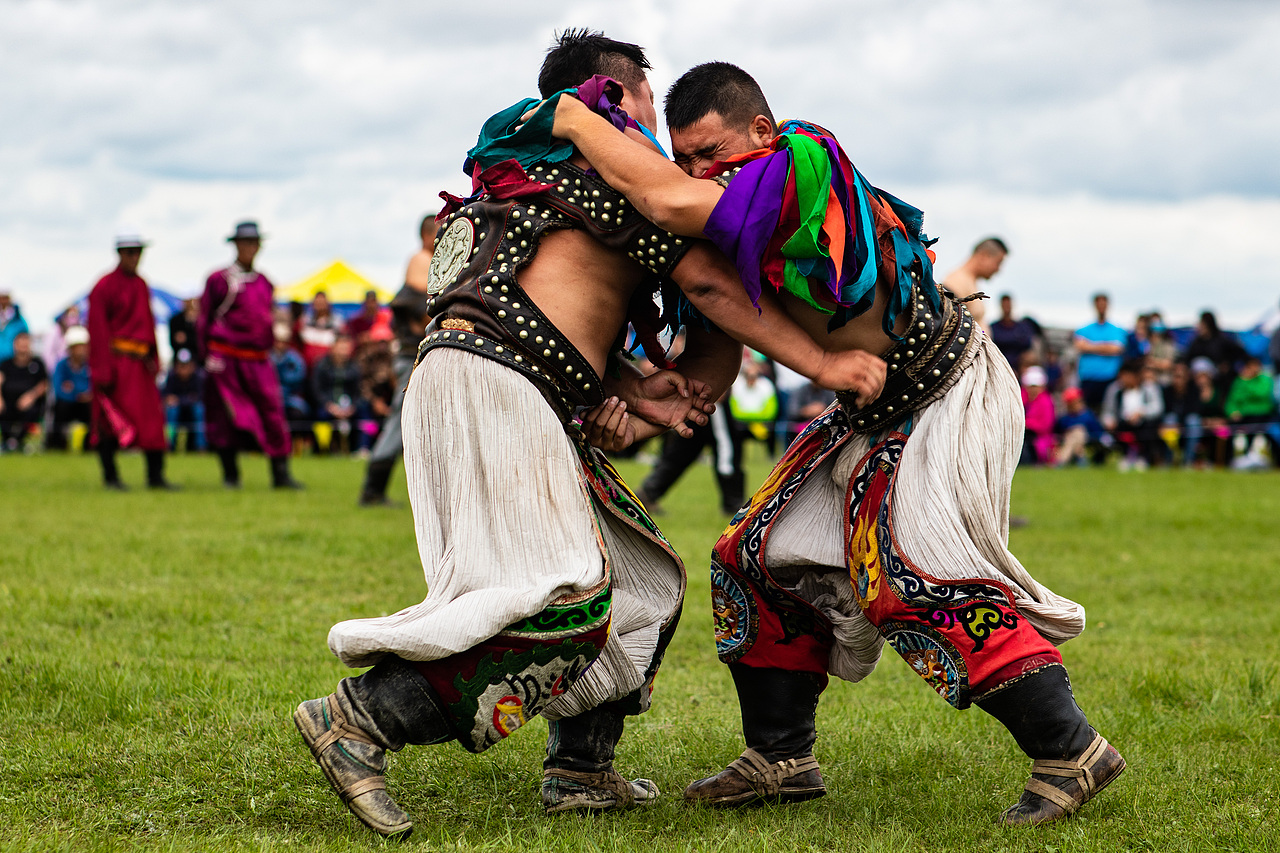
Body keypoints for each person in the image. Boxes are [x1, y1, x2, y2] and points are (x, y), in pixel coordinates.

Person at [295, 32, 885, 839]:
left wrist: (631, 388)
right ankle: (359, 718)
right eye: (651, 95)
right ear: (620, 92)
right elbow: (710, 281)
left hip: (492, 379)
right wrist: (824, 359)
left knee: (642, 579)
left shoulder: (519, 166)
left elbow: (546, 303)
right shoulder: (607, 160)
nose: (662, 123)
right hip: (497, 385)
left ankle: (581, 769)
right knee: (565, 599)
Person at [549, 59, 1123, 825]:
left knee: (912, 576)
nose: (698, 172)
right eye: (685, 158)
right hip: (869, 412)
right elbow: (715, 353)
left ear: (760, 130)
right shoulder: (726, 212)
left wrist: (573, 118)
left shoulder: (797, 165)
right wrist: (641, 403)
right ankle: (781, 756)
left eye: (711, 154)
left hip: (942, 388)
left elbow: (663, 199)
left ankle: (1072, 748)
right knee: (749, 555)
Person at [198, 221, 303, 488]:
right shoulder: (219, 280)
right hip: (226, 359)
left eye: (254, 243)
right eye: (245, 243)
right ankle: (231, 476)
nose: (250, 248)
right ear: (236, 245)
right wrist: (205, 357)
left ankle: (281, 475)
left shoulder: (264, 282)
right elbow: (203, 321)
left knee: (272, 413)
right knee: (226, 417)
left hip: (258, 360)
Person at [359, 214, 438, 506]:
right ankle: (372, 489)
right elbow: (424, 304)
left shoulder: (423, 259)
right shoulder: (421, 259)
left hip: (414, 353)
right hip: (411, 355)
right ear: (428, 235)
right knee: (401, 419)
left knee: (411, 420)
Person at [87, 229, 175, 490]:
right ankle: (111, 476)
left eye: (138, 252)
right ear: (120, 254)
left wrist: (154, 358)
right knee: (110, 421)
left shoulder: (141, 284)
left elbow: (149, 324)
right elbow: (98, 330)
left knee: (152, 422)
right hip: (117, 363)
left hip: (140, 366)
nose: (135, 258)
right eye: (130, 253)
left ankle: (156, 476)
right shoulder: (104, 286)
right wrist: (102, 370)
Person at [1100, 358, 1164, 470]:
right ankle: (1126, 457)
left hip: (1144, 423)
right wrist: (1109, 420)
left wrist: (1141, 413)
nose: (1123, 379)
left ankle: (1143, 457)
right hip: (1122, 423)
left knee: (1148, 430)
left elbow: (1157, 408)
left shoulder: (1149, 388)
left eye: (1126, 376)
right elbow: (1107, 411)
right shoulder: (1114, 390)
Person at [1073, 293, 1128, 413]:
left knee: (1108, 412)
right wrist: (1105, 347)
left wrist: (1091, 346)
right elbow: (1080, 346)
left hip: (1109, 378)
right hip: (1088, 378)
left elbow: (1116, 349)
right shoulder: (1083, 329)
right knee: (1087, 412)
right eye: (1099, 304)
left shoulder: (1117, 330)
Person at [941, 237, 1008, 330]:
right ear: (984, 255)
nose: (998, 269)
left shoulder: (969, 281)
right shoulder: (958, 281)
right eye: (998, 263)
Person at [1223, 356, 1277, 470]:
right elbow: (1232, 399)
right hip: (1243, 415)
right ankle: (1228, 461)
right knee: (1228, 431)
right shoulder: (1240, 380)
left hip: (1261, 414)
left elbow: (1262, 394)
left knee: (1254, 428)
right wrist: (1233, 412)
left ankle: (1251, 457)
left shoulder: (1265, 379)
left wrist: (1246, 383)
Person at [0, 331, 49, 450]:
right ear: (14, 345)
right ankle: (8, 441)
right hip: (7, 402)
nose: (23, 345)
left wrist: (31, 396)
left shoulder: (37, 363)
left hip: (30, 402)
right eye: (20, 342)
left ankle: (19, 441)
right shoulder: (6, 364)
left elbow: (44, 384)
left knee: (32, 411)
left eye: (25, 342)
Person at [48, 325, 93, 450]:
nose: (81, 350)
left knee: (94, 411)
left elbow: (95, 387)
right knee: (61, 408)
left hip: (86, 405)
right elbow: (59, 389)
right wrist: (79, 394)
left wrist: (75, 390)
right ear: (70, 348)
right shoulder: (61, 365)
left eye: (83, 346)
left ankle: (90, 444)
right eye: (77, 347)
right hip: (68, 405)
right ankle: (57, 444)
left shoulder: (92, 366)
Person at [269, 322, 311, 443]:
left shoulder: (295, 359)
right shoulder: (266, 356)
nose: (280, 344)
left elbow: (297, 378)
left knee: (298, 413)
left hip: (290, 397)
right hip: (269, 396)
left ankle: (294, 443)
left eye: (283, 341)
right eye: (277, 341)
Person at [162, 349, 206, 452]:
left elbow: (200, 396)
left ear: (192, 365)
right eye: (181, 366)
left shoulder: (199, 376)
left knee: (199, 410)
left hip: (192, 411)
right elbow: (165, 396)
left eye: (186, 366)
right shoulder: (171, 376)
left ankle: (201, 446)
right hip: (178, 410)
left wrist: (179, 399)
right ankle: (168, 445)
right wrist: (188, 399)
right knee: (172, 411)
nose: (184, 369)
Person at [1054, 387, 1109, 466]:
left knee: (1078, 431)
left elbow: (1098, 432)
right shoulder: (1064, 418)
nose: (1074, 405)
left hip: (1088, 439)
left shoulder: (1088, 415)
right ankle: (1081, 458)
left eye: (1076, 402)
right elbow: (1058, 433)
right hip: (1070, 440)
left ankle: (1062, 461)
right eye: (1071, 403)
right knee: (1075, 435)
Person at [988, 293, 1040, 372]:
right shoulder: (993, 327)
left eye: (1008, 305)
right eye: (1004, 305)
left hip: (1019, 367)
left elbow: (1028, 348)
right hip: (998, 366)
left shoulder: (1021, 328)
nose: (1007, 308)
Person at [1020, 365, 1055, 465]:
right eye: (1030, 386)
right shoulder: (1021, 398)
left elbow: (1046, 425)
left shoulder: (1046, 402)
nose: (1033, 390)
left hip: (1038, 438)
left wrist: (1027, 424)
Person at [299, 291, 343, 368]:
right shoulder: (305, 320)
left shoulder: (338, 322)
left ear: (328, 304)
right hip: (307, 365)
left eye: (322, 302)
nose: (320, 305)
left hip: (329, 366)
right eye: (317, 302)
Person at [0, 289, 29, 364]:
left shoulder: (19, 320)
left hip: (12, 365)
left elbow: (25, 339)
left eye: (5, 298)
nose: (3, 301)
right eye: (1, 297)